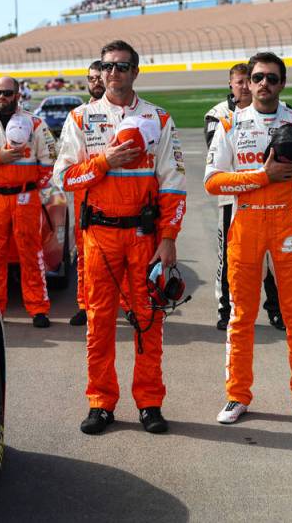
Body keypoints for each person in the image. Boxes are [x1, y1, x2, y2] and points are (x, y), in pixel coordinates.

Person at [54, 40, 186, 435]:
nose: (114, 73)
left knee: (149, 320)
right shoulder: (81, 118)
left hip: (145, 238)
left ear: (136, 71)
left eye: (123, 66)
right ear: (101, 71)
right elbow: (62, 178)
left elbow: (174, 183)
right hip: (99, 236)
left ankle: (149, 402)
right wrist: (103, 162)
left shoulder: (159, 119)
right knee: (100, 321)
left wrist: (169, 237)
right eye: (108, 66)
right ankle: (100, 401)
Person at [204, 52, 292, 426]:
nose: (264, 85)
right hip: (245, 228)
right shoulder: (229, 122)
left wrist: (280, 200)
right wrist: (263, 177)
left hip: (288, 228)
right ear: (248, 81)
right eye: (258, 77)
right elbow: (212, 182)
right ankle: (237, 395)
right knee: (241, 315)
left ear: (282, 83)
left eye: (272, 78)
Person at [0, 76, 56, 327]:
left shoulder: (35, 124)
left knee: (31, 253)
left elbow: (49, 161)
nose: (1, 97)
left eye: (7, 93)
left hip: (26, 198)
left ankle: (38, 308)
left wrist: (32, 186)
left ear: (18, 95)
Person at [205, 64, 284, 332]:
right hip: (232, 199)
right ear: (232, 85)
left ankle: (276, 309)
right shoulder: (218, 115)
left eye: (245, 81)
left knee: (272, 259)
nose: (242, 86)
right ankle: (226, 310)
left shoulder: (276, 112)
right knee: (229, 259)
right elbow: (217, 158)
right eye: (238, 82)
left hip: (270, 199)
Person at [64, 60, 106, 326]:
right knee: (84, 255)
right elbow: (68, 165)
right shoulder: (78, 115)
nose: (96, 82)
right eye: (92, 79)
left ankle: (125, 304)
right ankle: (85, 303)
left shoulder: (128, 114)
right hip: (86, 196)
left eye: (99, 77)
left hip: (122, 195)